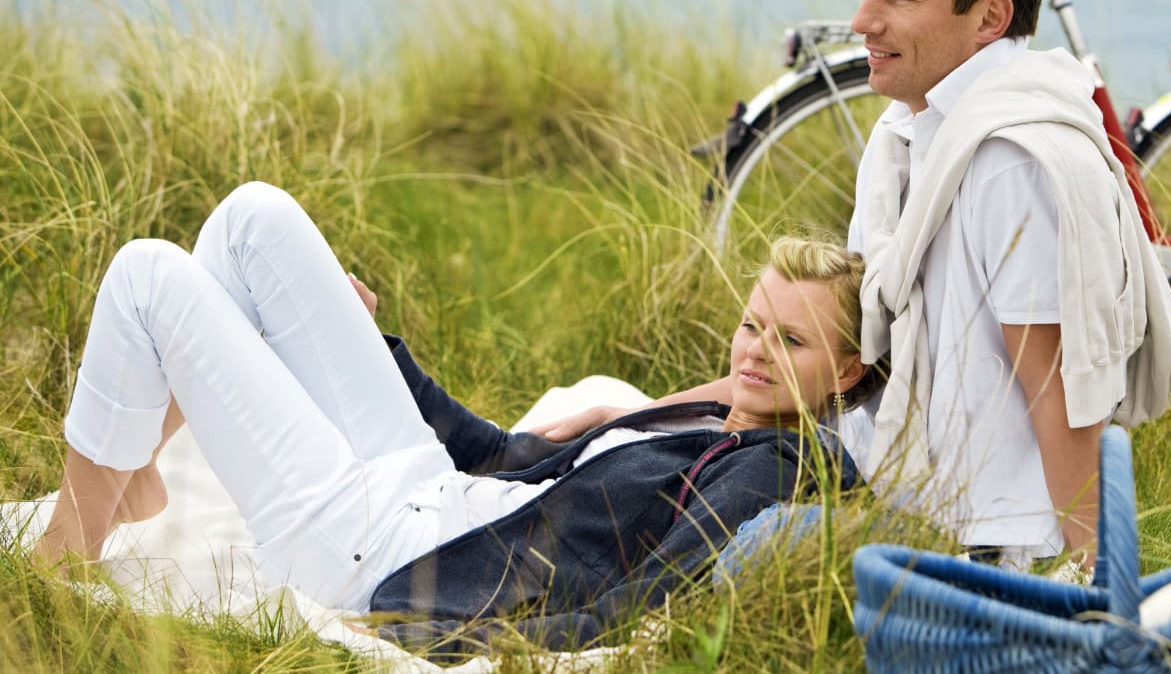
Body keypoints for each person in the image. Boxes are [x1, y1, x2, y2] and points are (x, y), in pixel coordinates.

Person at [536, 0, 1171, 568]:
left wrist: (1099, 592)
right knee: (591, 420)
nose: (861, 19)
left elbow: (1059, 395)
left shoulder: (1010, 163)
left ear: (989, 18)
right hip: (861, 477)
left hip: (963, 544)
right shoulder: (906, 134)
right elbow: (837, 375)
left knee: (705, 546)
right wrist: (638, 422)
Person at [36, 182, 883, 656]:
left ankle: (63, 550)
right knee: (252, 220)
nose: (755, 353)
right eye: (750, 325)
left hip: (381, 553)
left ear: (845, 372)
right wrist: (380, 350)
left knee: (148, 274)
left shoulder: (774, 467)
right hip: (432, 489)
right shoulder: (706, 415)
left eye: (792, 342)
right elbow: (504, 453)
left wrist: (449, 635)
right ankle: (133, 478)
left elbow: (639, 594)